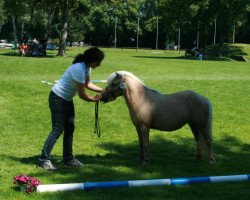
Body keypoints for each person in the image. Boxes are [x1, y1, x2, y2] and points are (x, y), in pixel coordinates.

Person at [37, 47, 105, 171]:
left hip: (66, 100)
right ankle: (43, 160)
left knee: (70, 128)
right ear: (92, 60)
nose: (99, 64)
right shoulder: (79, 69)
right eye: (98, 62)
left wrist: (103, 90)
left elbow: (88, 84)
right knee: (57, 129)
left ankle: (68, 159)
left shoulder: (87, 67)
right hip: (57, 98)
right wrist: (94, 99)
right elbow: (82, 95)